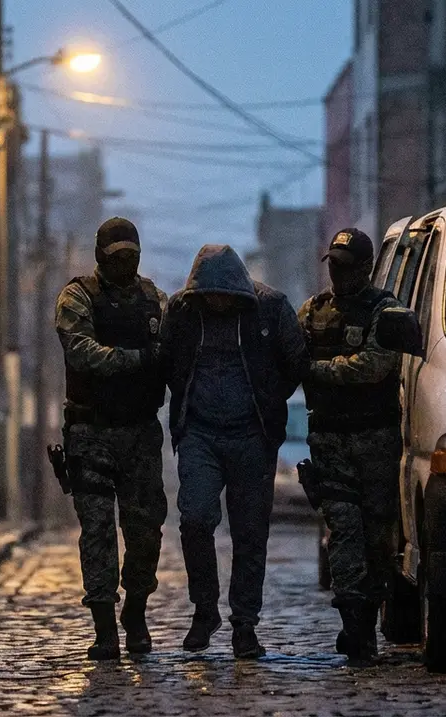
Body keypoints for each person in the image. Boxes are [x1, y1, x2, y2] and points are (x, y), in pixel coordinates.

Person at [159, 244, 308, 659]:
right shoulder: (182, 311)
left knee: (250, 533)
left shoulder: (270, 308)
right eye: (209, 296)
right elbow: (166, 361)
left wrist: (270, 399)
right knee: (195, 518)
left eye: (223, 296)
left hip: (252, 436)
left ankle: (245, 624)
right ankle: (204, 608)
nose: (217, 303)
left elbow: (297, 361)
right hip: (200, 433)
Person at [55, 217, 167, 660]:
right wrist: (137, 359)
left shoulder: (154, 299)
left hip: (140, 431)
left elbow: (172, 351)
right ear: (101, 256)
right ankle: (104, 627)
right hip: (91, 431)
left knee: (145, 532)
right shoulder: (77, 296)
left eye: (132, 256)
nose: (125, 264)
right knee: (98, 532)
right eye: (117, 256)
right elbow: (81, 351)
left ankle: (135, 611)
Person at [297, 228, 405, 665]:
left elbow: (375, 365)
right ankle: (354, 625)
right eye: (333, 266)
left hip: (376, 440)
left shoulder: (386, 311)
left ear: (366, 268)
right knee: (343, 530)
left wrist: (317, 370)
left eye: (345, 267)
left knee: (378, 538)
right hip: (329, 439)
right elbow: (289, 357)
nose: (337, 275)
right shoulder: (313, 311)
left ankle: (368, 613)